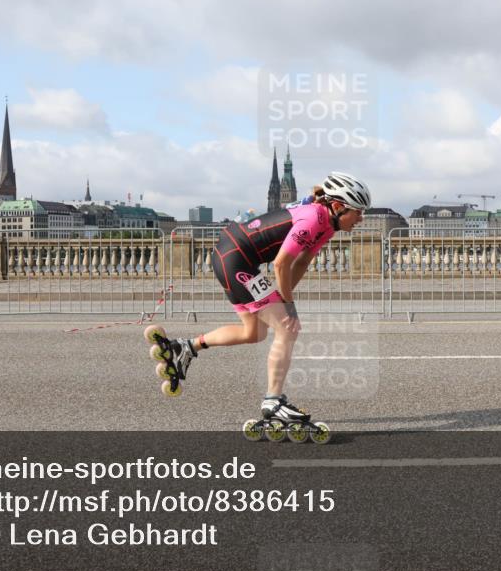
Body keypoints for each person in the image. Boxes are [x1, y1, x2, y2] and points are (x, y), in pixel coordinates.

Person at [159, 171, 370, 425]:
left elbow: (302, 262)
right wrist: (288, 307)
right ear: (337, 206)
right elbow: (281, 264)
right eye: (357, 212)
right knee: (288, 329)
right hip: (236, 259)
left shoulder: (327, 225)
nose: (361, 218)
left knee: (254, 333)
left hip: (237, 257)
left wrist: (282, 298)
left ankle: (186, 347)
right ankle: (273, 400)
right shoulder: (314, 218)